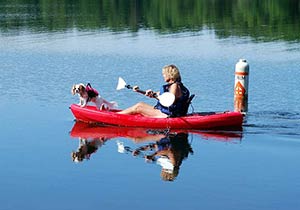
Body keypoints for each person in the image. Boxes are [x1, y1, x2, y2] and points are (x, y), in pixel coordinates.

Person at [117, 64, 190, 118]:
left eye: (164, 74)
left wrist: (156, 96)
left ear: (170, 75)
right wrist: (139, 91)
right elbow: (157, 94)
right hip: (169, 113)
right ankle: (119, 114)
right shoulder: (175, 85)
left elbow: (169, 101)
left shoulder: (175, 86)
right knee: (140, 104)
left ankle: (115, 117)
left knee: (138, 107)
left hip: (168, 115)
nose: (163, 76)